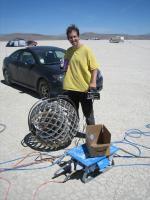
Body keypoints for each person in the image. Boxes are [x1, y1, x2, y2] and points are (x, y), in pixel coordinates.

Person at [63, 24, 99, 125]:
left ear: (78, 36)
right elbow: (65, 65)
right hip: (71, 89)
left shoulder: (86, 50)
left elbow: (94, 68)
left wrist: (93, 82)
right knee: (73, 114)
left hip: (85, 89)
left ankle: (92, 138)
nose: (73, 39)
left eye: (74, 36)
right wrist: (65, 70)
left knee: (89, 115)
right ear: (68, 39)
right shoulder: (68, 51)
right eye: (70, 37)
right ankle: (73, 132)